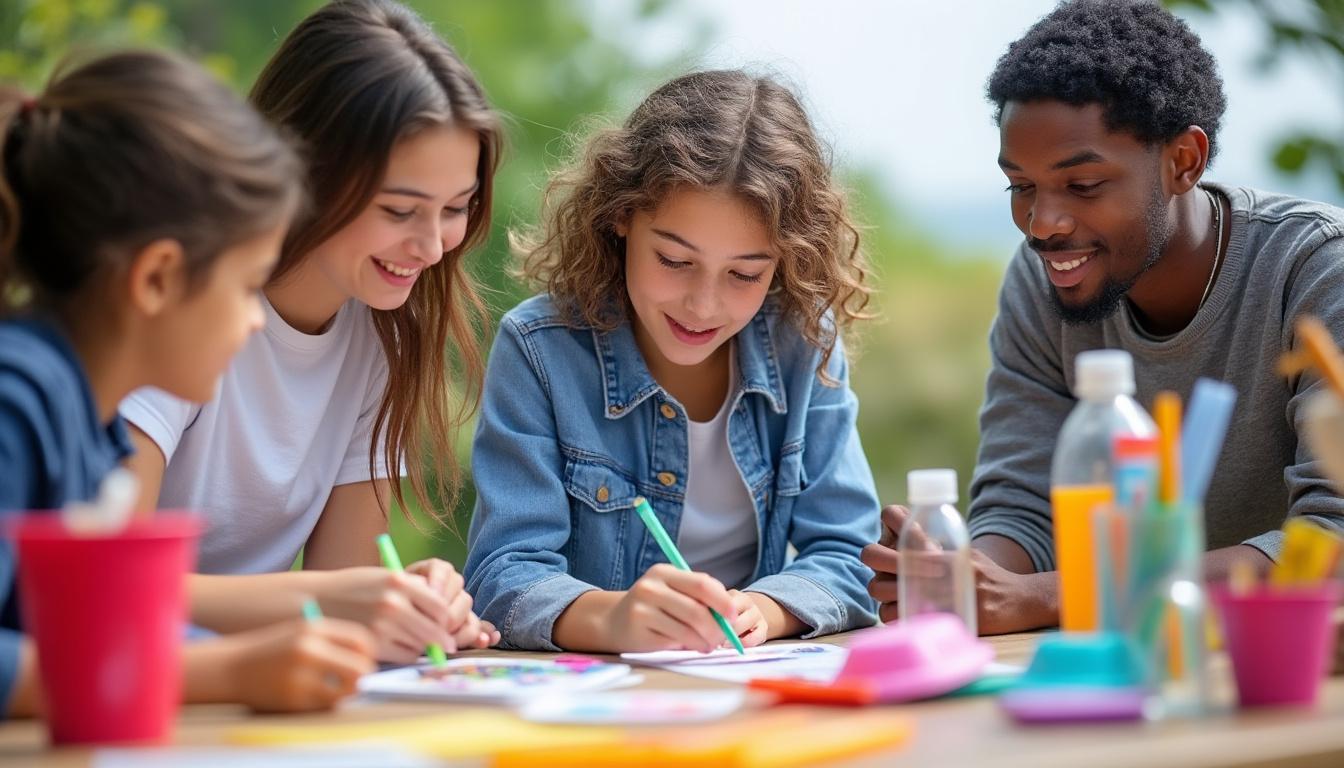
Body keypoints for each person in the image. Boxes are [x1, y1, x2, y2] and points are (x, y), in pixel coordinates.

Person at [862, 0, 1344, 634]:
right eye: (1021, 186)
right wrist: (958, 579)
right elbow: (1023, 507)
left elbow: (1329, 545)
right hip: (1134, 660)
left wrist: (1046, 596)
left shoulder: (1316, 270)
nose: (1042, 225)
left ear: (1183, 161)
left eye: (1083, 186)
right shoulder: (1043, 279)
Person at [121, 0, 501, 661]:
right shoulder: (176, 303)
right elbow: (105, 584)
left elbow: (344, 593)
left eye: (455, 208)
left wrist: (406, 605)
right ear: (303, 173)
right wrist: (331, 600)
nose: (432, 246)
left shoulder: (383, 335)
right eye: (400, 210)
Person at [0, 49, 375, 717]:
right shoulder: (18, 400)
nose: (257, 320)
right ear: (157, 279)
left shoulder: (91, 425)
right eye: (247, 286)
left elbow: (112, 630)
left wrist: (278, 655)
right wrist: (225, 671)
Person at [465, 69, 880, 652]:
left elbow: (850, 554)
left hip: (745, 675)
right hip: (595, 689)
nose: (703, 305)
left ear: (786, 260)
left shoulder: (805, 342)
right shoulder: (539, 349)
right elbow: (502, 574)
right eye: (675, 261)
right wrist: (613, 619)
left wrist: (762, 611)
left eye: (744, 274)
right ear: (621, 215)